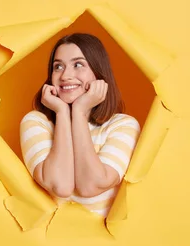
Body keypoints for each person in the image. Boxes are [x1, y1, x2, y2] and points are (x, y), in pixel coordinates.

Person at [19, 33, 141, 217]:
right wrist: (62, 113)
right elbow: (60, 185)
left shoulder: (123, 125)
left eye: (78, 64)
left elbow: (90, 186)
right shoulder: (36, 122)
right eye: (58, 66)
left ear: (98, 73)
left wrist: (79, 112)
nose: (65, 76)